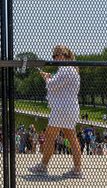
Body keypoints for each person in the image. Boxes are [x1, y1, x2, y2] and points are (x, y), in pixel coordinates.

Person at [29, 45, 82, 178]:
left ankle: (43, 166)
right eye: (54, 56)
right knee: (72, 138)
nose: (55, 58)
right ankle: (77, 169)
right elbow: (60, 86)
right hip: (70, 108)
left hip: (61, 109)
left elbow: (52, 86)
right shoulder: (73, 70)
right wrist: (50, 77)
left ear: (65, 56)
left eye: (58, 55)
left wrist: (46, 78)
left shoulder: (65, 69)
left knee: (50, 136)